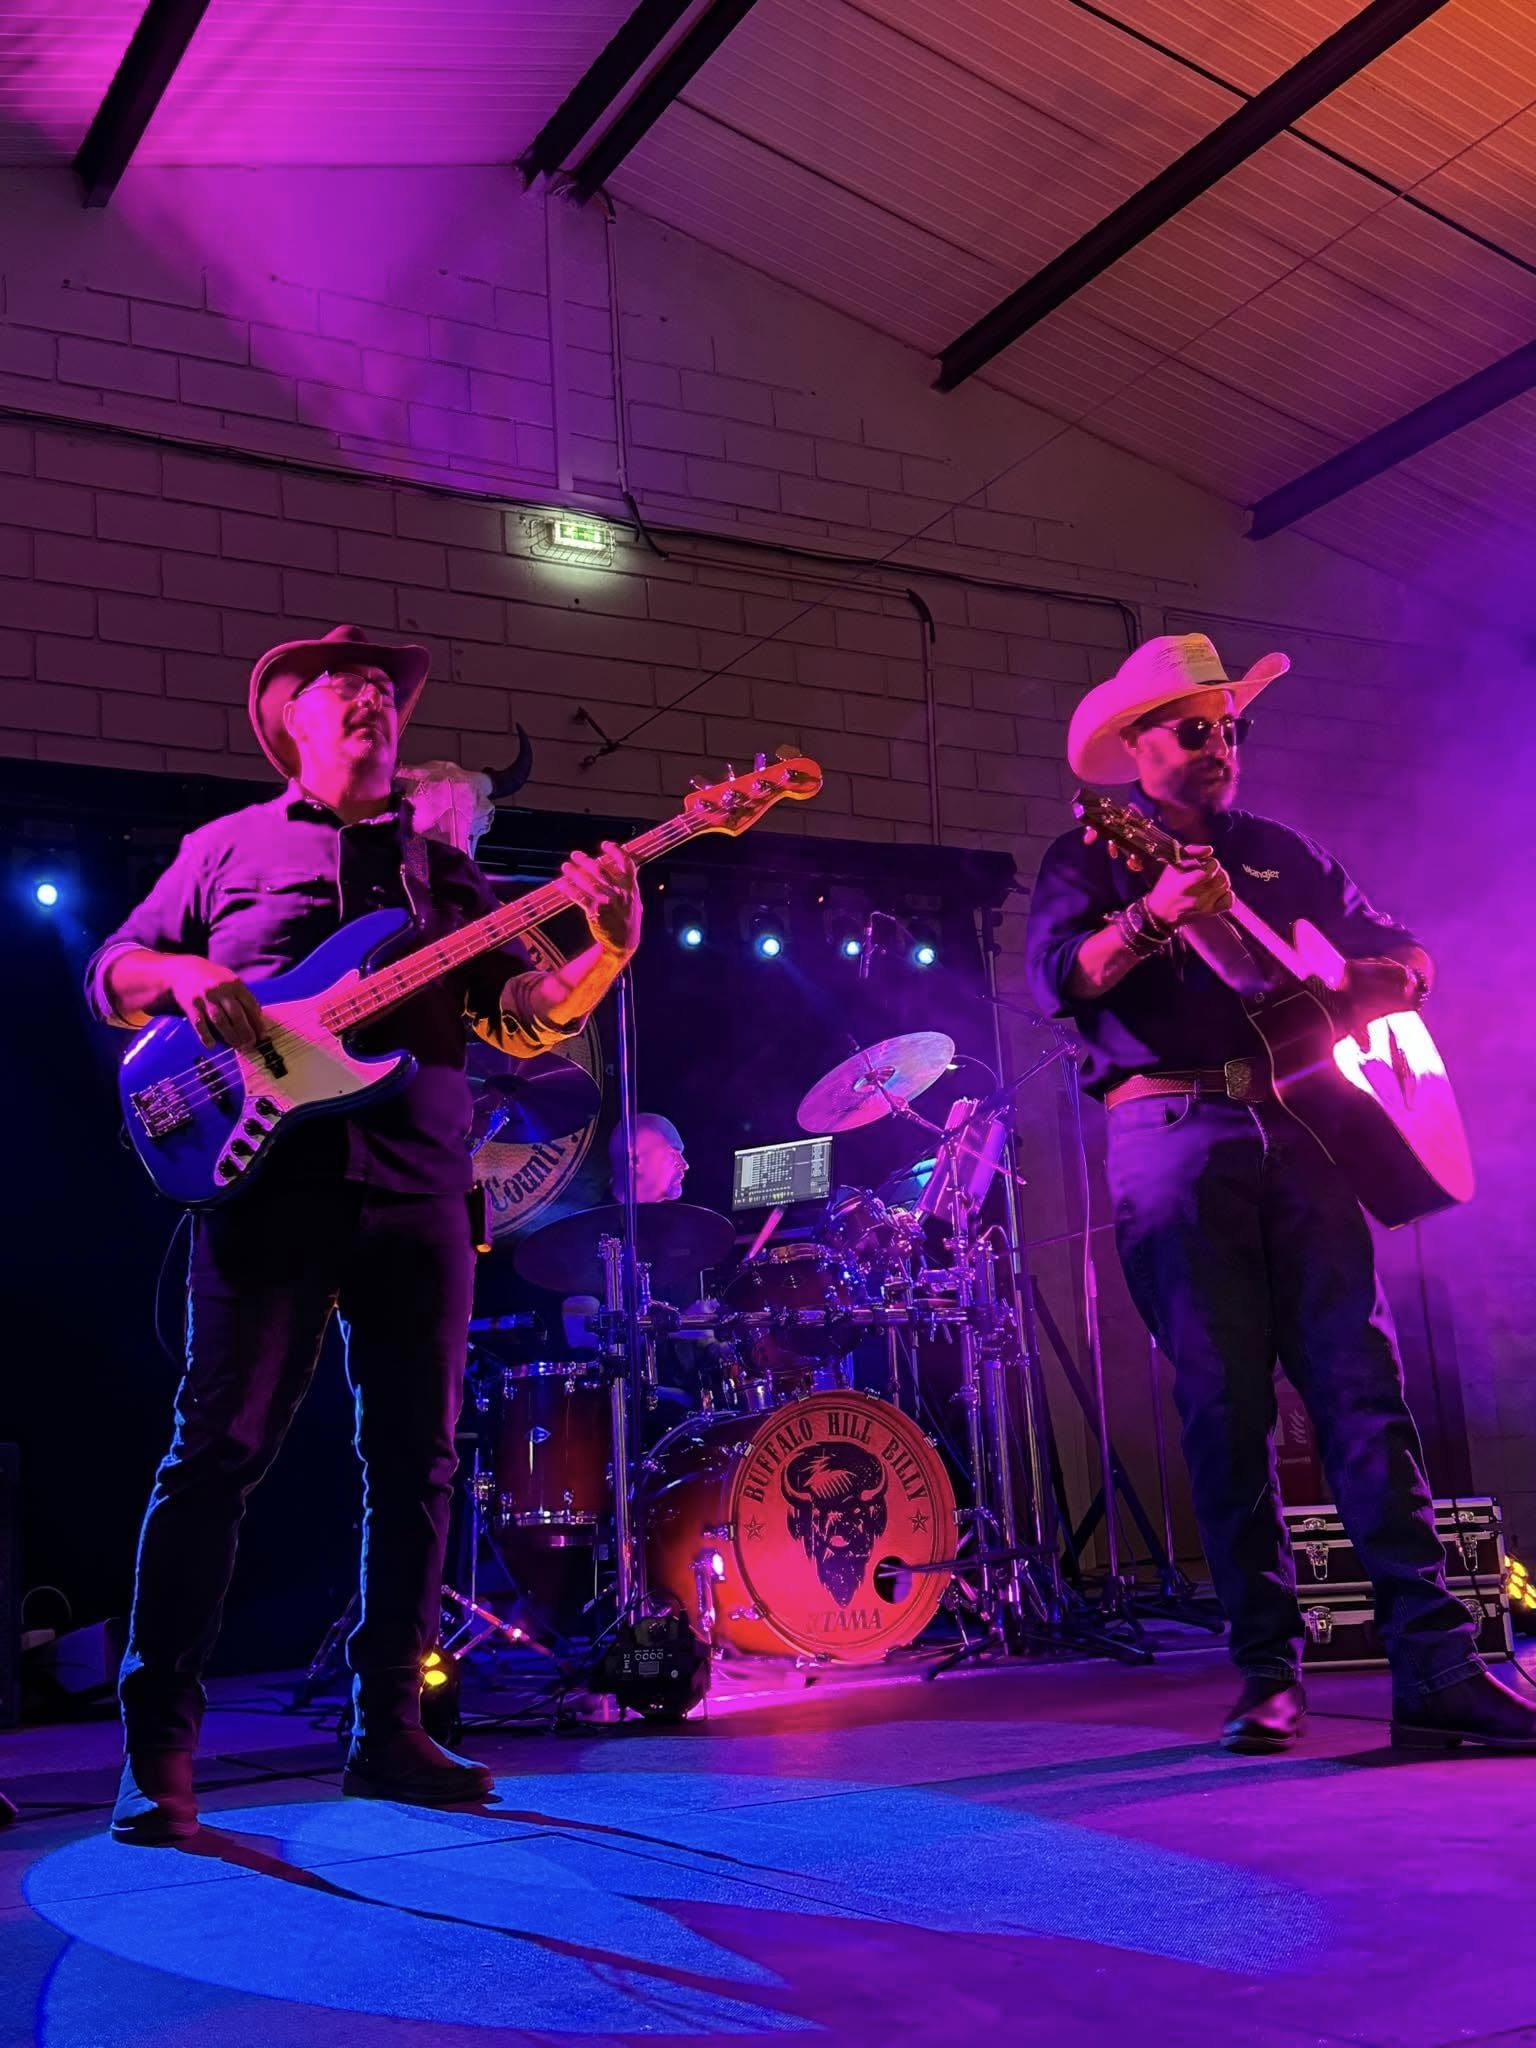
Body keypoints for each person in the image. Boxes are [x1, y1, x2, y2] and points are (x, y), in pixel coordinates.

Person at [86, 624, 644, 1841]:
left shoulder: (440, 872)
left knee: (416, 1463)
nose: (371, 700)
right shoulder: (224, 848)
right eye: (344, 686)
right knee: (215, 1454)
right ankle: (156, 1750)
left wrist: (604, 949)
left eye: (386, 690)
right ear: (287, 718)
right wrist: (182, 977)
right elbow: (114, 971)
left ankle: (389, 1729)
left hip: (419, 1186)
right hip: (265, 1183)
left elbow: (521, 1016)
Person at [1025, 632, 1536, 1755]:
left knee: (1365, 1391)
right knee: (1226, 1409)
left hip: (1304, 1127)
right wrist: (1151, 915)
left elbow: (1403, 951)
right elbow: (1061, 979)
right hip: (1172, 1131)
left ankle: (1438, 1667)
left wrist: (1378, 980)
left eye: (1231, 728)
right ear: (1137, 745)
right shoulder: (1091, 854)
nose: (1220, 745)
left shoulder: (1284, 853)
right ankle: (1266, 1672)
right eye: (1194, 729)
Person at [608, 1112, 688, 1205]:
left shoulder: (678, 1214)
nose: (685, 1165)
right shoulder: (599, 1215)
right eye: (672, 1155)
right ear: (635, 1160)